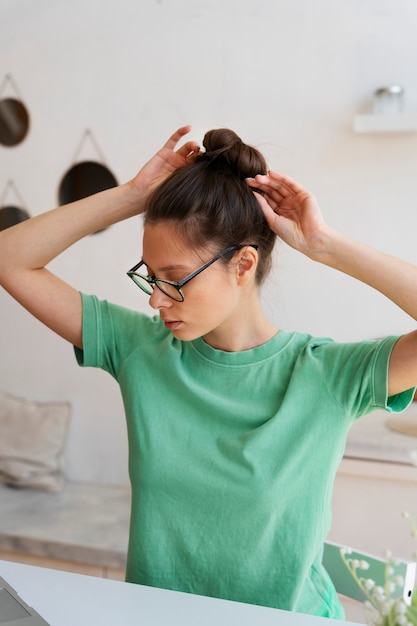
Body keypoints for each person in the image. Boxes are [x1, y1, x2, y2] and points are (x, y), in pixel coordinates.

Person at [0, 125, 416, 619]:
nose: (155, 300)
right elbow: (10, 259)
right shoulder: (140, 349)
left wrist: (323, 243)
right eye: (150, 279)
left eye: (174, 281)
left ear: (243, 264)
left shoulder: (327, 374)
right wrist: (134, 195)